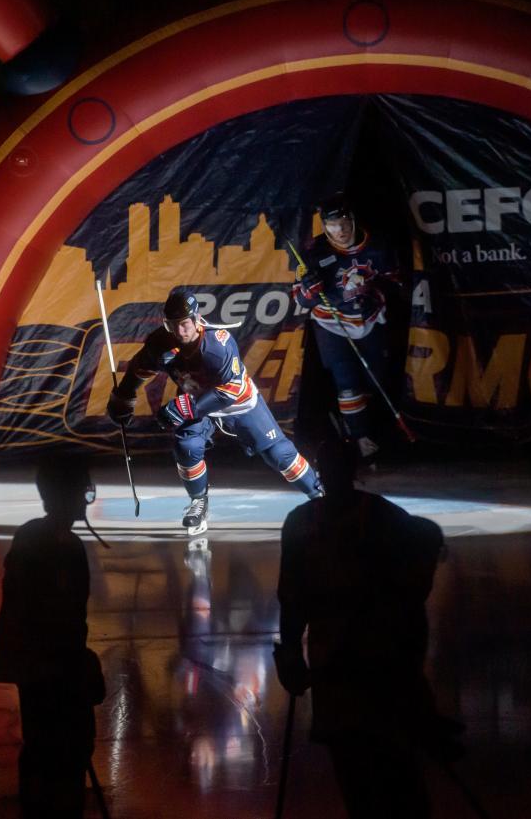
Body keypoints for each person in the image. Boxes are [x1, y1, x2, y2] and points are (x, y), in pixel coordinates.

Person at [272, 438, 455, 819]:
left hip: (352, 669)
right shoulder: (382, 521)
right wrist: (289, 651)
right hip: (357, 670)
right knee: (384, 778)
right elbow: (293, 597)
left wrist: (290, 651)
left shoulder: (307, 522)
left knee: (370, 776)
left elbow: (293, 598)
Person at [107, 289, 323, 549]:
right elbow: (139, 368)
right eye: (172, 325)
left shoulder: (218, 345)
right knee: (186, 447)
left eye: (185, 323)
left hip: (234, 402)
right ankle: (198, 500)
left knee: (279, 455)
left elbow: (229, 391)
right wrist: (123, 397)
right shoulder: (161, 343)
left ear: (197, 320)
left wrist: (185, 407)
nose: (180, 331)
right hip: (196, 400)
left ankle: (319, 495)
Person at [0, 458, 106, 818]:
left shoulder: (39, 538)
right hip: (48, 666)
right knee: (55, 747)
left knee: (46, 743)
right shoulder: (57, 546)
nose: (85, 502)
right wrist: (72, 666)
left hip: (41, 664)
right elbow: (56, 616)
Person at [291, 192, 398, 461]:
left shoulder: (376, 244)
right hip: (333, 324)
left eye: (343, 222)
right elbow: (301, 300)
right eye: (332, 225)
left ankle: (369, 427)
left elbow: (395, 279)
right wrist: (309, 290)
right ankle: (359, 438)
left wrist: (380, 285)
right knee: (347, 383)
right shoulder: (314, 253)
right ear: (324, 226)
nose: (339, 230)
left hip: (371, 319)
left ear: (352, 220)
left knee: (375, 379)